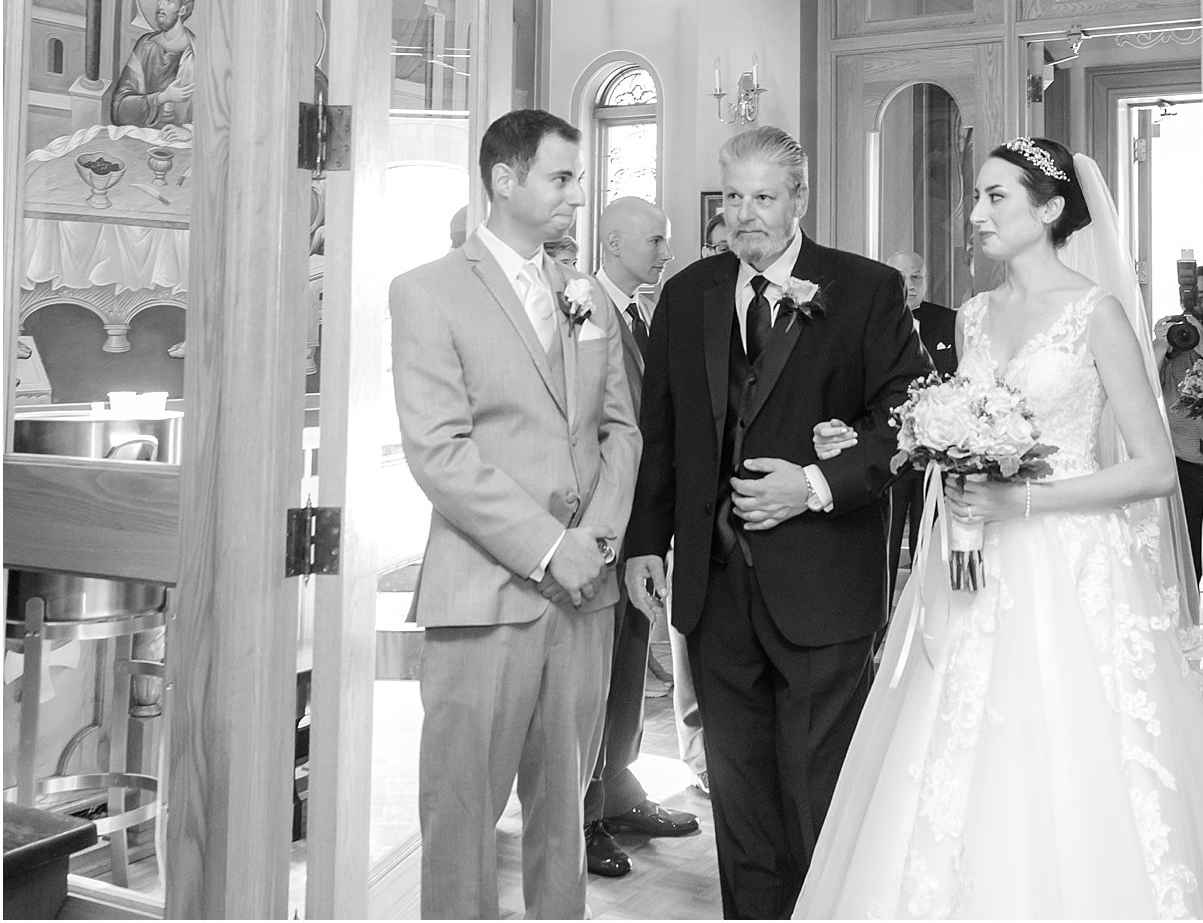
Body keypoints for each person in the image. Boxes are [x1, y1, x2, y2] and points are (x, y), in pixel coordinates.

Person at [795, 137, 1203, 918]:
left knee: (1058, 749)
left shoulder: (1097, 313)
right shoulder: (977, 317)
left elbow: (1155, 469)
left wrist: (1023, 503)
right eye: (976, 196)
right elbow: (949, 427)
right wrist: (893, 443)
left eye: (996, 199)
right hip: (968, 561)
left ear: (1049, 212)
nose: (975, 214)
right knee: (952, 749)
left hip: (1068, 564)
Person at [623, 126, 930, 919]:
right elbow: (666, 434)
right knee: (738, 786)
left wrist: (819, 483)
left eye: (764, 197)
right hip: (712, 585)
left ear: (799, 199)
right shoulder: (688, 294)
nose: (746, 215)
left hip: (823, 579)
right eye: (734, 197)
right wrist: (646, 542)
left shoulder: (864, 289)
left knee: (819, 780)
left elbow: (907, 420)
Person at [388, 109, 640, 919]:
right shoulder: (427, 292)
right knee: (461, 817)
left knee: (566, 814)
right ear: (505, 180)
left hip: (584, 596)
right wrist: (546, 547)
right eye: (561, 177)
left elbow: (621, 431)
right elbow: (439, 450)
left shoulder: (585, 298)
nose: (577, 194)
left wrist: (595, 543)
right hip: (485, 594)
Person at [582, 196, 696, 879]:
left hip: (642, 518)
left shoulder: (643, 313)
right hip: (602, 516)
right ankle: (583, 813)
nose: (665, 253)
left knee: (627, 662)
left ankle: (619, 789)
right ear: (615, 242)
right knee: (596, 673)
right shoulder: (583, 309)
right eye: (655, 240)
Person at [883, 249, 958, 572]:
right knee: (885, 537)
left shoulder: (951, 321)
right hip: (888, 447)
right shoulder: (873, 321)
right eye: (902, 277)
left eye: (917, 277)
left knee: (930, 536)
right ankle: (881, 619)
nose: (910, 285)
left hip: (937, 450)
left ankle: (927, 614)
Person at [1153, 275, 1203, 578]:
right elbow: (1142, 388)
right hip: (1183, 467)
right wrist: (1161, 347)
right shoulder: (1175, 342)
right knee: (1188, 559)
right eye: (1196, 296)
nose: (1200, 303)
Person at [110, 0, 195, 128]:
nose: (160, 6)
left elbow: (216, 113)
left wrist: (189, 133)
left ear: (182, 10)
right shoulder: (146, 46)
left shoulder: (198, 54)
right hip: (145, 134)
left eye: (168, 0)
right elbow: (119, 109)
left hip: (183, 143)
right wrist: (162, 97)